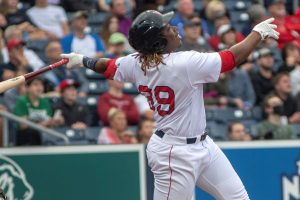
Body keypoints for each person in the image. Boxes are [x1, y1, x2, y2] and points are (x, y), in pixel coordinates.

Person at [61, 10, 279, 199]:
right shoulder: (185, 62)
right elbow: (232, 58)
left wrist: (82, 60)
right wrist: (257, 32)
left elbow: (106, 67)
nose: (174, 28)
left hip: (203, 145)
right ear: (157, 42)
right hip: (173, 153)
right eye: (167, 28)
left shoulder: (136, 62)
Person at [14, 77, 61, 145]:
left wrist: (56, 121)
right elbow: (23, 125)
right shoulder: (22, 101)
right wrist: (44, 123)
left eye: (41, 85)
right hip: (26, 138)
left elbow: (49, 120)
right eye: (35, 84)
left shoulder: (45, 102)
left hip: (44, 134)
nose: (39, 88)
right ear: (27, 88)